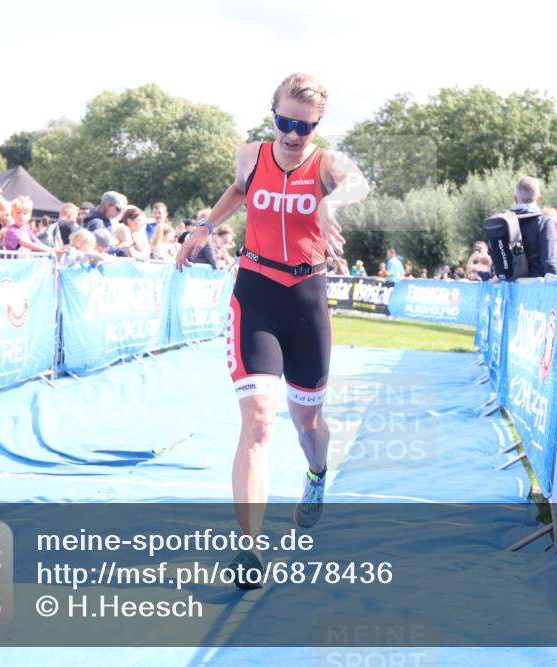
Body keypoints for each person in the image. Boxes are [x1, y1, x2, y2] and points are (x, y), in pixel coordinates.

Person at [175, 73, 368, 588]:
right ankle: (249, 547)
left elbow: (360, 182)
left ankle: (317, 476)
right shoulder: (250, 155)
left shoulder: (325, 163)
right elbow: (239, 190)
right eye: (283, 121)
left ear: (316, 126)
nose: (291, 134)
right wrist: (204, 226)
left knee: (307, 425)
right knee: (260, 421)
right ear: (272, 115)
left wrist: (330, 202)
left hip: (306, 302)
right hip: (256, 293)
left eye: (303, 127)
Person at [511, 176, 557, 278]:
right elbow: (549, 261)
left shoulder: (505, 221)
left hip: (506, 287)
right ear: (538, 198)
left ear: (515, 199)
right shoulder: (545, 222)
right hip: (535, 287)